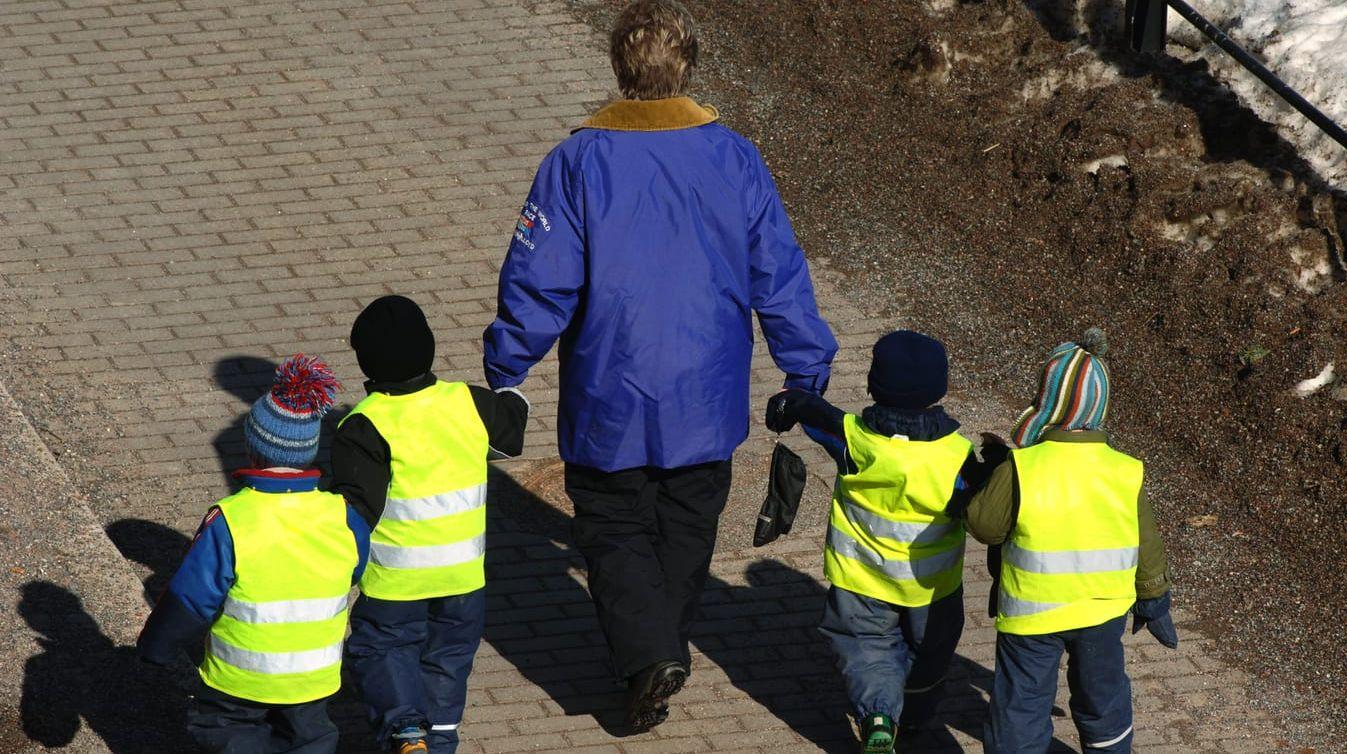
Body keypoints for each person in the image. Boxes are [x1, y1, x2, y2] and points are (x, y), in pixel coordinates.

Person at [481, 0, 837, 731]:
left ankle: (648, 659)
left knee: (613, 526)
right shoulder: (734, 156)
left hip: (610, 385)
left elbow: (540, 276)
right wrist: (805, 371)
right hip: (706, 390)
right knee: (686, 522)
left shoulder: (577, 160)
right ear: (689, 65)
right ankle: (662, 649)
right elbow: (779, 270)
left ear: (618, 67)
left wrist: (508, 368)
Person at [766, 330, 986, 754]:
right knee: (930, 653)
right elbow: (984, 502)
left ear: (872, 384)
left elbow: (819, 418)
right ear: (939, 389)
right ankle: (916, 718)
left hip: (861, 576)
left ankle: (880, 717)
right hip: (931, 587)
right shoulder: (957, 454)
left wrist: (796, 400)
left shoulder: (854, 438)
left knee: (867, 647)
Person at [137, 355, 367, 754]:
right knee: (309, 740)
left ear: (253, 449)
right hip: (311, 679)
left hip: (239, 682)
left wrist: (157, 647)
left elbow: (191, 599)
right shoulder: (344, 515)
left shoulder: (231, 520)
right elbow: (353, 571)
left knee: (230, 735)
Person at [331, 295, 529, 754]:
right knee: (449, 657)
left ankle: (404, 729)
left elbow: (355, 508)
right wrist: (512, 389)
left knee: (383, 648)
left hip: (396, 580)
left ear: (367, 364)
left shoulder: (364, 426)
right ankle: (440, 737)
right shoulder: (470, 403)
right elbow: (512, 432)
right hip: (463, 575)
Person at [964, 329, 1177, 754]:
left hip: (1032, 614)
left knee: (1022, 702)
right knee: (1104, 696)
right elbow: (1145, 539)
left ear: (1047, 403)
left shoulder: (1022, 466)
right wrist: (1153, 596)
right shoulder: (1123, 469)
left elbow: (985, 526)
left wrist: (986, 482)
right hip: (1102, 611)